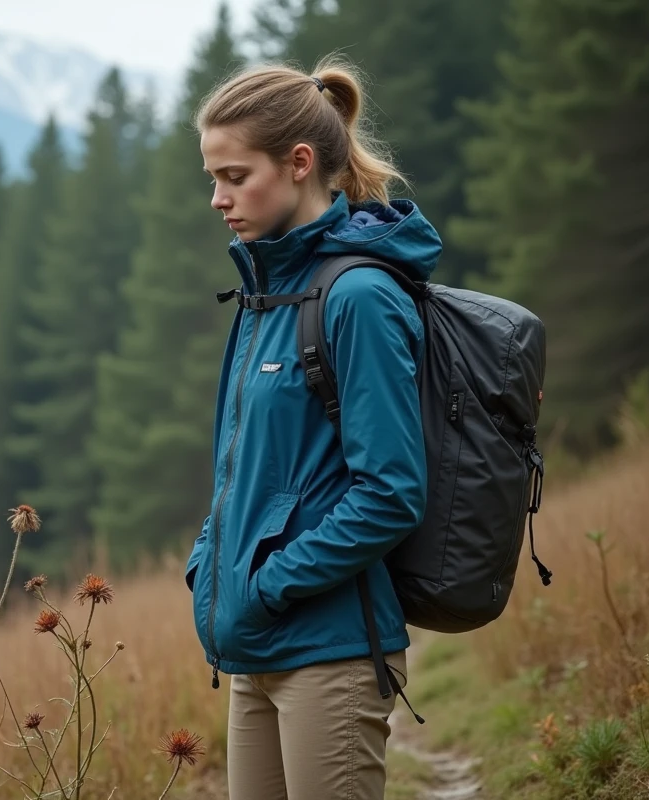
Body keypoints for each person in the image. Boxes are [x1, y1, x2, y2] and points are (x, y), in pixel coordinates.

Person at [184, 56, 440, 800]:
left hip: (329, 653)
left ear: (299, 163)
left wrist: (267, 584)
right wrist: (212, 563)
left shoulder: (358, 297)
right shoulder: (266, 297)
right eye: (213, 177)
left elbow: (391, 492)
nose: (216, 198)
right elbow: (250, 469)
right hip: (255, 651)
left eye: (235, 175)